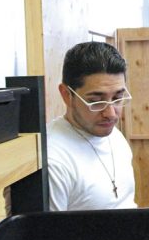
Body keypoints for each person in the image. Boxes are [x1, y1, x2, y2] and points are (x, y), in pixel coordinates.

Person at [47, 41, 138, 211]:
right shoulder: (53, 160)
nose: (111, 113)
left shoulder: (114, 136)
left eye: (118, 98)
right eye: (96, 102)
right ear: (67, 95)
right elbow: (46, 236)